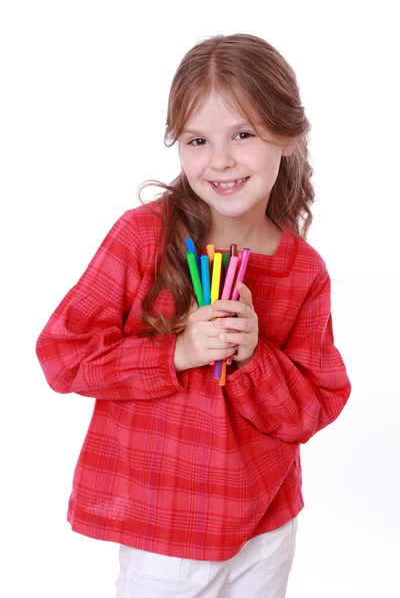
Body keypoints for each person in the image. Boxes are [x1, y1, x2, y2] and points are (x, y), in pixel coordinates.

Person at [36, 33, 351, 598]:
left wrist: (256, 355)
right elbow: (62, 355)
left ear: (289, 133)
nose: (221, 159)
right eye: (197, 140)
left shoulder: (304, 269)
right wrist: (175, 353)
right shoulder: (142, 238)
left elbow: (313, 407)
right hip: (163, 528)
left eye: (244, 134)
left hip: (265, 526)